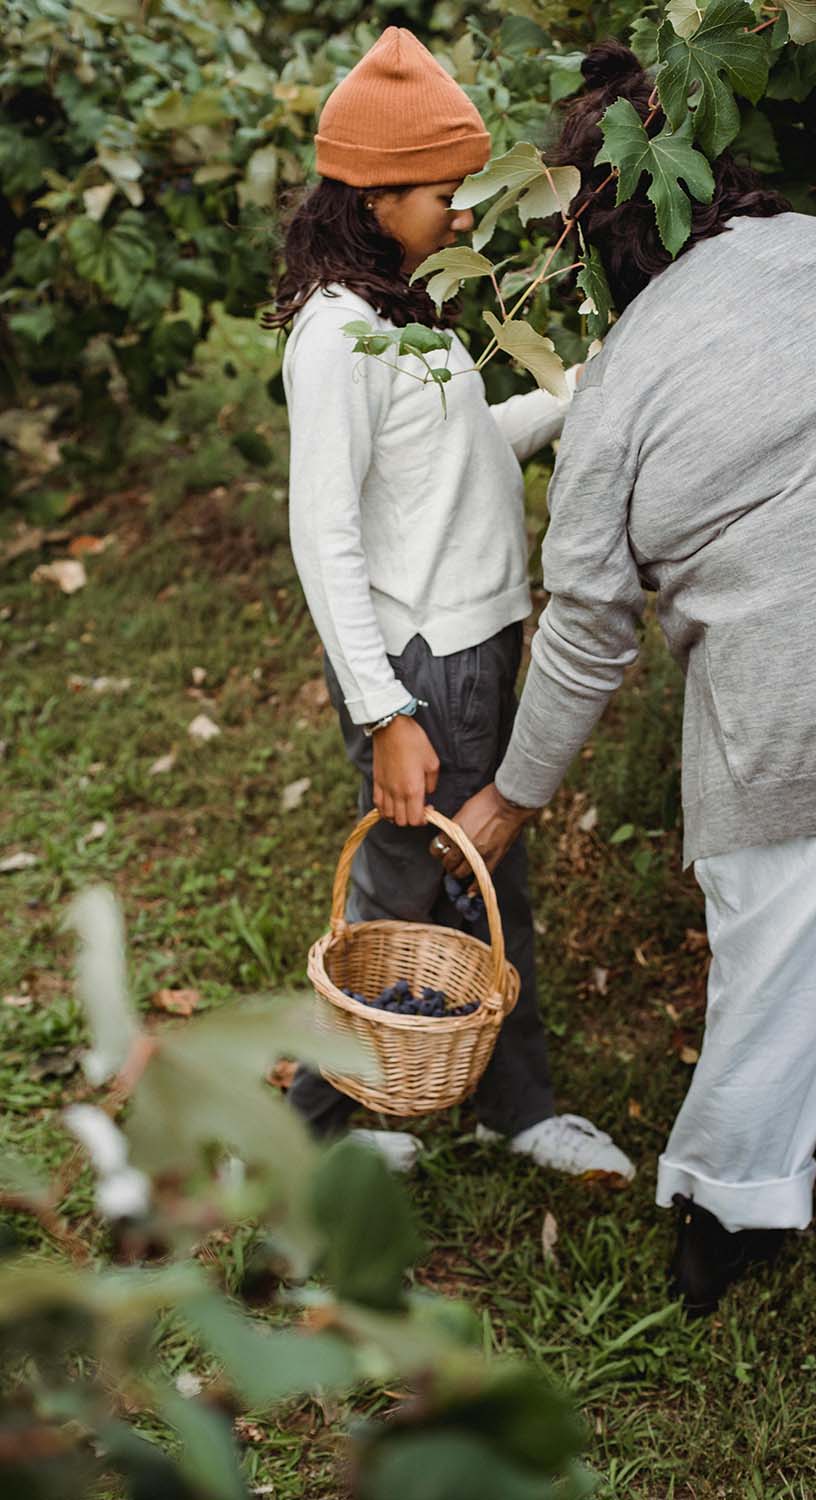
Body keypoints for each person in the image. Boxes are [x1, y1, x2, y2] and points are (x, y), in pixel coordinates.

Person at [438, 41, 816, 1378]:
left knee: (778, 987)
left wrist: (512, 796)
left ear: (596, 245)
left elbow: (585, 628)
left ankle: (729, 1219)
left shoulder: (631, 368)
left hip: (798, 716)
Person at [269, 27, 633, 1183]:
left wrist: (575, 399)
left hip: (476, 641)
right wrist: (387, 712)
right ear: (375, 199)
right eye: (445, 193)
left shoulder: (410, 313)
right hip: (424, 663)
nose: (466, 214)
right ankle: (312, 1145)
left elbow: (460, 453)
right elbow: (322, 536)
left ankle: (500, 1099)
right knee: (407, 889)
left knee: (484, 882)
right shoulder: (337, 337)